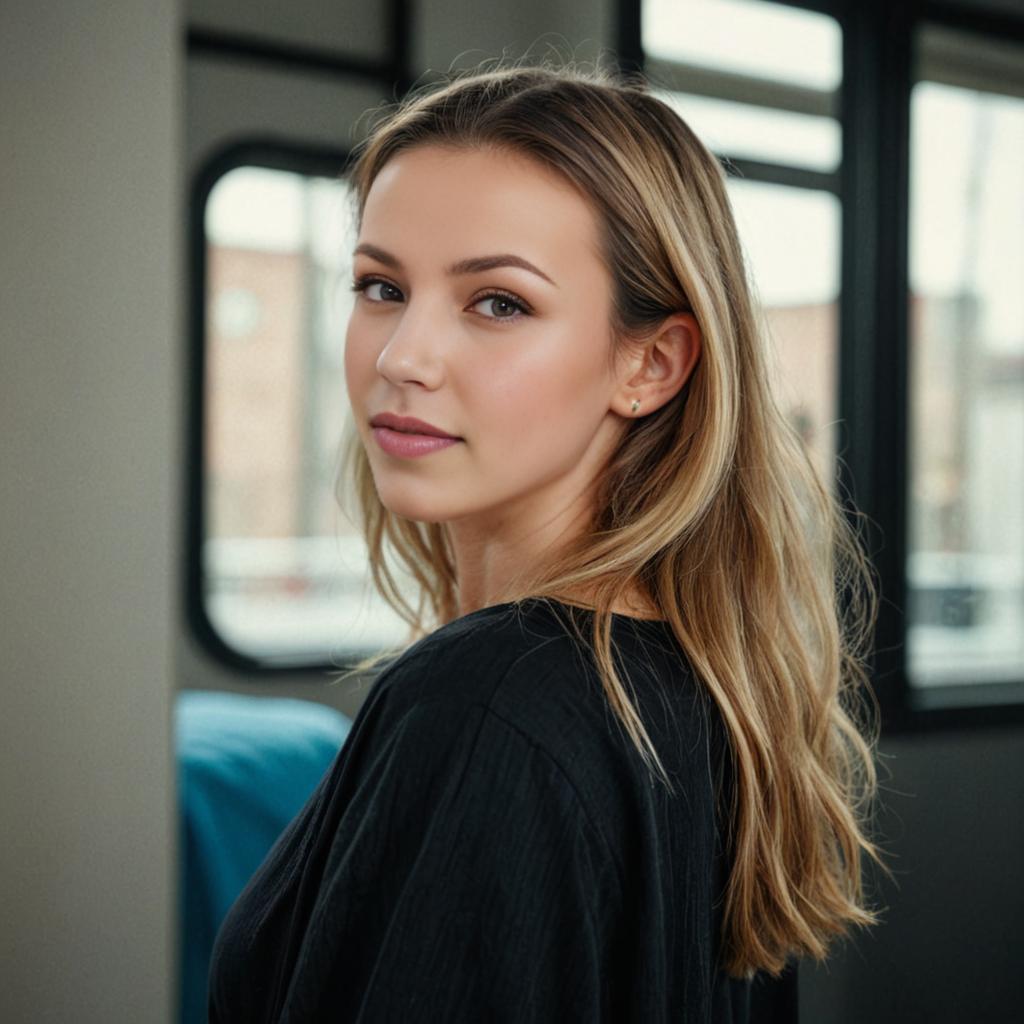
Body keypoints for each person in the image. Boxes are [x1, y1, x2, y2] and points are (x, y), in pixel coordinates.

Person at [208, 58, 887, 1022]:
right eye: (379, 286)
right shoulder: (699, 689)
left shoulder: (490, 698)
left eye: (498, 303)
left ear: (650, 364)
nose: (402, 358)